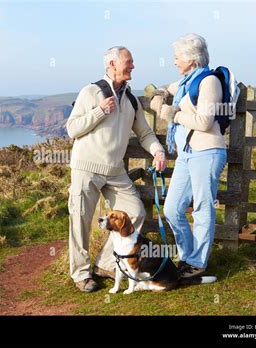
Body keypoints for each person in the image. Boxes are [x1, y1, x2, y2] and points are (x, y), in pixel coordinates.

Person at [67, 46, 166, 292]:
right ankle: (81, 274)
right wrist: (100, 111)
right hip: (86, 168)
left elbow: (144, 133)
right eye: (128, 62)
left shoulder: (131, 99)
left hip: (115, 171)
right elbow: (72, 128)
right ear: (112, 64)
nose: (132, 66)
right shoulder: (90, 91)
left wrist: (158, 151)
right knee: (80, 220)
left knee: (134, 212)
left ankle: (105, 264)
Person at [150, 33, 227, 278]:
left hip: (207, 151)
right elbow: (166, 89)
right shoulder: (185, 82)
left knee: (203, 208)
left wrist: (173, 114)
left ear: (191, 59)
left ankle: (197, 263)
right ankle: (187, 255)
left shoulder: (208, 82)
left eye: (177, 57)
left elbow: (204, 122)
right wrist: (160, 93)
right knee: (172, 208)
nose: (174, 61)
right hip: (186, 153)